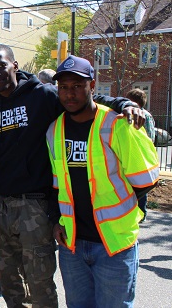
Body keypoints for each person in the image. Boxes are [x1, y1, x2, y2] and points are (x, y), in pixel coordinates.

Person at [0, 45, 144, 307]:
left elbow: (80, 100)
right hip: (2, 204)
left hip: (34, 204)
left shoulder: (42, 95)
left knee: (39, 283)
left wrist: (122, 102)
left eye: (1, 65)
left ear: (14, 65)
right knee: (10, 281)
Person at [47, 55, 159, 307]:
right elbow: (56, 186)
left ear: (92, 86)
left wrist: (124, 216)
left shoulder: (118, 124)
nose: (69, 94)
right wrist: (56, 221)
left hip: (114, 246)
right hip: (72, 246)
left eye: (77, 86)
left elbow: (145, 182)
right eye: (63, 87)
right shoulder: (54, 130)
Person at [126, 88, 156, 221]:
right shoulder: (126, 113)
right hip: (129, 154)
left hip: (141, 156)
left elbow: (149, 137)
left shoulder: (145, 116)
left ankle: (142, 212)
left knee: (141, 184)